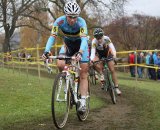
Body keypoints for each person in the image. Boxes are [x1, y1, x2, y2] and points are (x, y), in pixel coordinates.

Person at [42, 1, 89, 112]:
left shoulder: (82, 22)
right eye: (70, 17)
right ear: (65, 15)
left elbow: (83, 40)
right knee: (60, 63)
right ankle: (67, 82)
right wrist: (46, 51)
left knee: (83, 72)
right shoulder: (59, 21)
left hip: (81, 46)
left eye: (75, 17)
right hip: (68, 45)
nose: (72, 19)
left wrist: (80, 52)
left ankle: (82, 101)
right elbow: (52, 37)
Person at [90, 28, 121, 95]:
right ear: (95, 37)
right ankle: (101, 75)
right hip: (100, 55)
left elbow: (112, 48)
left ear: (103, 35)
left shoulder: (106, 39)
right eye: (97, 37)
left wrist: (114, 56)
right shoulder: (94, 41)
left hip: (107, 54)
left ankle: (116, 87)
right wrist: (92, 60)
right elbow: (93, 52)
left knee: (112, 70)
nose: (99, 39)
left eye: (100, 37)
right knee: (94, 64)